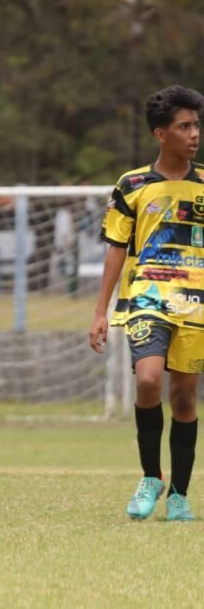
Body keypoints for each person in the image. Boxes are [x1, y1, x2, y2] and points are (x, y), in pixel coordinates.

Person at [89, 85, 204, 521]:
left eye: (196, 125)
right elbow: (116, 247)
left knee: (185, 398)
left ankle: (179, 493)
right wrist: (100, 311)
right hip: (147, 299)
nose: (194, 134)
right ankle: (151, 476)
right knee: (149, 381)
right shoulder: (133, 185)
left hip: (196, 304)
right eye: (184, 126)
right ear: (161, 133)